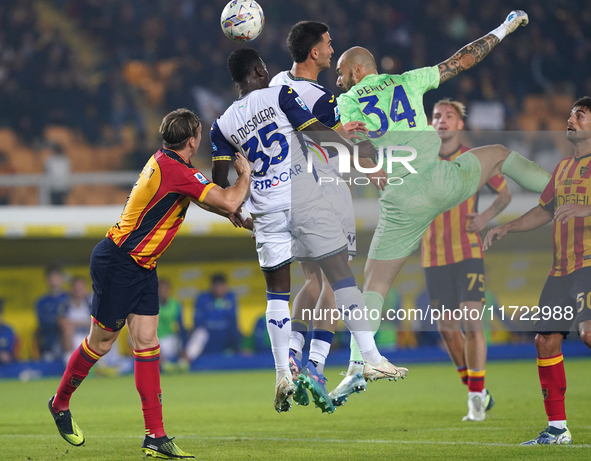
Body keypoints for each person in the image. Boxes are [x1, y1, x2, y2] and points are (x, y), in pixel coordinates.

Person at [331, 10, 551, 401]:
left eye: (341, 71)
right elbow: (463, 59)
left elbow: (358, 144)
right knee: (500, 153)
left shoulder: (347, 101)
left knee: (375, 282)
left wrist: (369, 169)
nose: (338, 78)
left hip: (401, 198)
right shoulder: (408, 80)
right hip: (440, 180)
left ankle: (358, 362)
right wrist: (503, 28)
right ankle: (562, 189)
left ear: (358, 70)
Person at [211, 47, 407, 414]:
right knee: (340, 276)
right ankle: (370, 356)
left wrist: (236, 208)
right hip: (302, 197)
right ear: (260, 70)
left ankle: (283, 372)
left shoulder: (221, 124)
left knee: (277, 294)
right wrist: (359, 154)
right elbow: (316, 132)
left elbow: (220, 185)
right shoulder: (280, 94)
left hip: (266, 209)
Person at [47, 108, 251, 459]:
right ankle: (60, 402)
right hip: (119, 263)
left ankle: (155, 436)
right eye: (199, 134)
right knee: (102, 343)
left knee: (147, 342)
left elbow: (208, 199)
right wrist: (243, 176)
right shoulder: (177, 170)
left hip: (141, 265)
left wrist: (231, 210)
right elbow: (228, 197)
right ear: (193, 140)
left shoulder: (167, 162)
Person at [268, 21, 374, 410]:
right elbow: (338, 142)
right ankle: (315, 365)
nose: (332, 50)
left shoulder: (277, 84)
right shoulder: (322, 99)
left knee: (311, 280)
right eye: (328, 44)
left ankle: (292, 355)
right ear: (314, 52)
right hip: (327, 191)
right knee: (336, 281)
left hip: (293, 194)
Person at [483, 96, 591, 445]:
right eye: (572, 114)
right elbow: (544, 211)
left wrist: (584, 208)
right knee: (545, 341)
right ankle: (557, 429)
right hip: (560, 270)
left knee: (589, 333)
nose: (572, 119)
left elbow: (578, 208)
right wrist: (506, 228)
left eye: (581, 115)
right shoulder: (561, 169)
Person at [421, 98, 512, 421]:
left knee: (472, 322)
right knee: (447, 328)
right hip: (432, 254)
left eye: (449, 116)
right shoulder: (420, 160)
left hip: (467, 251)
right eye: (436, 116)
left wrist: (486, 215)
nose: (441, 121)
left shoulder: (474, 159)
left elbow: (504, 193)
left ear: (460, 125)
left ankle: (475, 397)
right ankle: (478, 391)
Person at [186, 273, 241, 359]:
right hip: (208, 334)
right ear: (212, 286)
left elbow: (233, 321)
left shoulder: (231, 298)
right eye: (216, 285)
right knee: (200, 333)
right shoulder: (203, 298)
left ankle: (239, 359)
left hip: (225, 334)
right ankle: (186, 361)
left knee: (236, 332)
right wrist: (215, 325)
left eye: (221, 285)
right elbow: (198, 322)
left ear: (225, 286)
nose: (219, 288)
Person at [35, 266, 69, 361]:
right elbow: (43, 322)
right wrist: (59, 321)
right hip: (49, 341)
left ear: (61, 279)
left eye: (57, 277)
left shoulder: (69, 298)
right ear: (47, 280)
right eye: (51, 277)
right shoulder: (41, 302)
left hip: (69, 341)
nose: (54, 281)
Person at [157, 278, 185, 368]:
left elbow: (181, 326)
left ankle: (182, 363)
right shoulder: (150, 303)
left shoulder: (175, 304)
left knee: (179, 341)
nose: (164, 292)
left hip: (169, 338)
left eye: (166, 289)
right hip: (154, 338)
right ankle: (164, 364)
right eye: (161, 289)